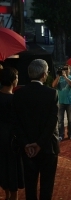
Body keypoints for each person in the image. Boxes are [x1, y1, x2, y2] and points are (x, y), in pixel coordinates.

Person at [12, 59, 60, 200]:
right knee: (47, 188)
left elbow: (16, 123)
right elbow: (52, 123)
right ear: (44, 74)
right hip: (48, 148)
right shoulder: (52, 94)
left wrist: (26, 143)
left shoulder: (19, 94)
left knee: (30, 188)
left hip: (27, 149)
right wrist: (39, 144)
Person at [0, 67, 24, 200]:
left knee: (2, 167)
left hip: (1, 137)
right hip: (12, 139)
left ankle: (7, 194)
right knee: (13, 168)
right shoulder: (15, 99)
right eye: (17, 77)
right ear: (13, 80)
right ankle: (12, 197)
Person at [52, 64, 71, 141]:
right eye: (64, 69)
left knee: (70, 120)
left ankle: (70, 134)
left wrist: (66, 77)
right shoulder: (59, 78)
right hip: (61, 102)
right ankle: (61, 135)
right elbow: (53, 85)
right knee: (60, 120)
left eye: (67, 69)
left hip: (70, 102)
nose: (65, 70)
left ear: (69, 70)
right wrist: (59, 76)